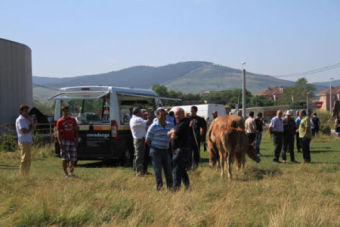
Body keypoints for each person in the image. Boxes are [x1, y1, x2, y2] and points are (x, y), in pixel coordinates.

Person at [145, 108, 173, 190]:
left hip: (166, 150)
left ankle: (170, 187)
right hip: (156, 151)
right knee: (157, 170)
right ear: (157, 116)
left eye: (165, 115)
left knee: (168, 169)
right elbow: (147, 140)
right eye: (162, 115)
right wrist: (154, 147)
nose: (164, 117)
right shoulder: (153, 126)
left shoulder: (169, 125)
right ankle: (159, 188)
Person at [168, 108, 191, 190]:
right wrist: (171, 132)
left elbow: (174, 136)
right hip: (181, 149)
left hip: (180, 150)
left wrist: (171, 133)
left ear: (182, 114)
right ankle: (187, 186)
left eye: (178, 114)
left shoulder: (183, 124)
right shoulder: (179, 123)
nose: (176, 116)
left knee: (176, 169)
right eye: (175, 114)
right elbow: (170, 133)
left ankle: (176, 188)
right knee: (181, 170)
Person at [56, 106, 78, 177]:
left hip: (72, 140)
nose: (66, 112)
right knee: (64, 157)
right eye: (64, 111)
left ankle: (71, 172)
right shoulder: (60, 121)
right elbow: (58, 132)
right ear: (62, 112)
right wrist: (60, 142)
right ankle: (66, 173)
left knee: (73, 157)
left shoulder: (72, 119)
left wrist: (76, 139)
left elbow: (76, 130)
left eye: (67, 111)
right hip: (64, 141)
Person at [15, 105, 35, 176]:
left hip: (28, 140)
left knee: (28, 159)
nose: (27, 112)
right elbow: (24, 131)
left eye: (27, 111)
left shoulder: (26, 119)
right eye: (25, 111)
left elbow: (33, 127)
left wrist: (30, 120)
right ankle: (22, 174)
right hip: (23, 141)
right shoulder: (20, 120)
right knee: (24, 158)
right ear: (21, 111)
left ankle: (26, 174)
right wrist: (30, 129)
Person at [129, 107, 150, 176]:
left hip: (138, 139)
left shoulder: (135, 119)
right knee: (139, 156)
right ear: (138, 113)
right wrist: (148, 116)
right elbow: (148, 122)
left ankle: (137, 170)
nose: (142, 113)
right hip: (139, 139)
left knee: (137, 155)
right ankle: (138, 171)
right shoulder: (137, 119)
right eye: (141, 112)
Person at [141, 109, 151, 175]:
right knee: (142, 156)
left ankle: (145, 169)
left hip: (147, 139)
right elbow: (148, 123)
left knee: (146, 155)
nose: (146, 115)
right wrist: (148, 118)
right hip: (143, 139)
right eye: (144, 113)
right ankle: (141, 170)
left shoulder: (146, 121)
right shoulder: (142, 121)